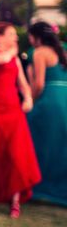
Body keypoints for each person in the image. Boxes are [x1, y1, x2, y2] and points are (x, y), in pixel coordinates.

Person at [0, 22, 41, 218]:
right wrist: (12, 52)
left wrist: (28, 98)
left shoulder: (15, 59)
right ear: (0, 36)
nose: (15, 38)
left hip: (12, 111)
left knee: (14, 154)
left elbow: (23, 84)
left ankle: (15, 200)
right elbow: (1, 60)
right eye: (11, 34)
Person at [26, 21, 67, 206]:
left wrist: (31, 100)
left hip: (50, 99)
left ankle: (41, 187)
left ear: (36, 36)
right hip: (64, 97)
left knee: (39, 140)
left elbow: (39, 83)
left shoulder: (40, 52)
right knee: (61, 143)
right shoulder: (63, 50)